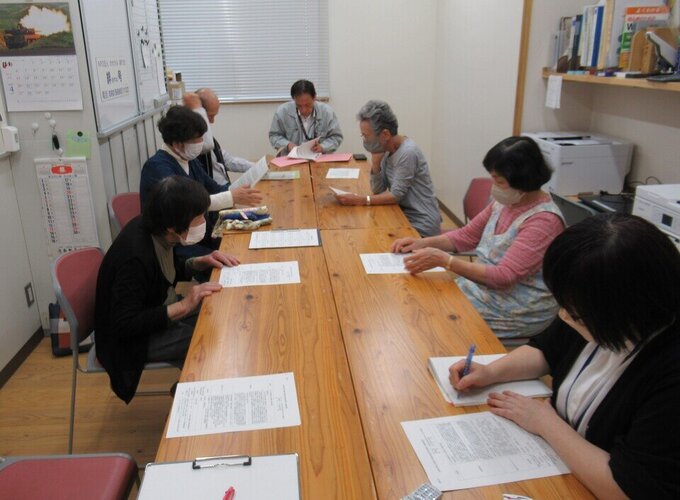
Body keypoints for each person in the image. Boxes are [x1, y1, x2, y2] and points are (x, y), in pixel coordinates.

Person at [449, 213, 680, 499]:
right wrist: (490, 372)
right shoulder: (595, 307)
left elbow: (629, 489)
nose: (564, 317)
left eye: (575, 315)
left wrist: (546, 423)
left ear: (625, 312)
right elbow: (546, 349)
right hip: (560, 464)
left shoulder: (668, 373)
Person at [392, 136, 564, 338]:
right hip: (482, 289)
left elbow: (504, 277)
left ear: (522, 181)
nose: (494, 186)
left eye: (499, 181)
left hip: (515, 308)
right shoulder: (506, 202)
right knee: (416, 302)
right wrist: (420, 243)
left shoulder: (544, 221)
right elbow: (466, 236)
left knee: (428, 323)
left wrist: (446, 261)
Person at [95, 176, 239, 403]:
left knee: (217, 312)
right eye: (198, 218)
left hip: (155, 309)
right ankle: (195, 394)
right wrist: (183, 306)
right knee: (205, 338)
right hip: (131, 342)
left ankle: (197, 384)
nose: (203, 222)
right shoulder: (135, 256)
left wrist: (199, 262)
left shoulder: (159, 231)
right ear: (173, 226)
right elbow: (124, 324)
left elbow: (165, 271)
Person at [140, 105, 262, 254]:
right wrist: (230, 197)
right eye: (196, 140)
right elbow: (186, 206)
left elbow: (214, 188)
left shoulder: (189, 160)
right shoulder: (156, 168)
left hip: (202, 236)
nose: (201, 143)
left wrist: (241, 191)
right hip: (179, 246)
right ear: (177, 144)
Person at [335, 100, 441, 237]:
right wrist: (376, 164)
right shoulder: (386, 149)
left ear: (385, 134)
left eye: (366, 136)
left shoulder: (407, 152)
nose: (365, 140)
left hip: (420, 224)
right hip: (401, 214)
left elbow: (396, 195)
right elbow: (378, 190)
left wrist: (360, 200)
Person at [183, 88, 262, 187]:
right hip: (213, 191)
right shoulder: (193, 142)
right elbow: (208, 145)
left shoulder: (208, 136)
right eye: (210, 116)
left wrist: (256, 166)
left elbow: (226, 160)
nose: (212, 121)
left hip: (224, 188)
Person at [268, 79, 343, 155]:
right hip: (291, 158)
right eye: (299, 106)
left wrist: (323, 147)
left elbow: (336, 137)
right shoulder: (282, 112)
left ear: (314, 97)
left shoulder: (327, 112)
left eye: (307, 105)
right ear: (294, 99)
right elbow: (274, 136)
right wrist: (287, 145)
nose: (303, 110)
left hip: (320, 158)